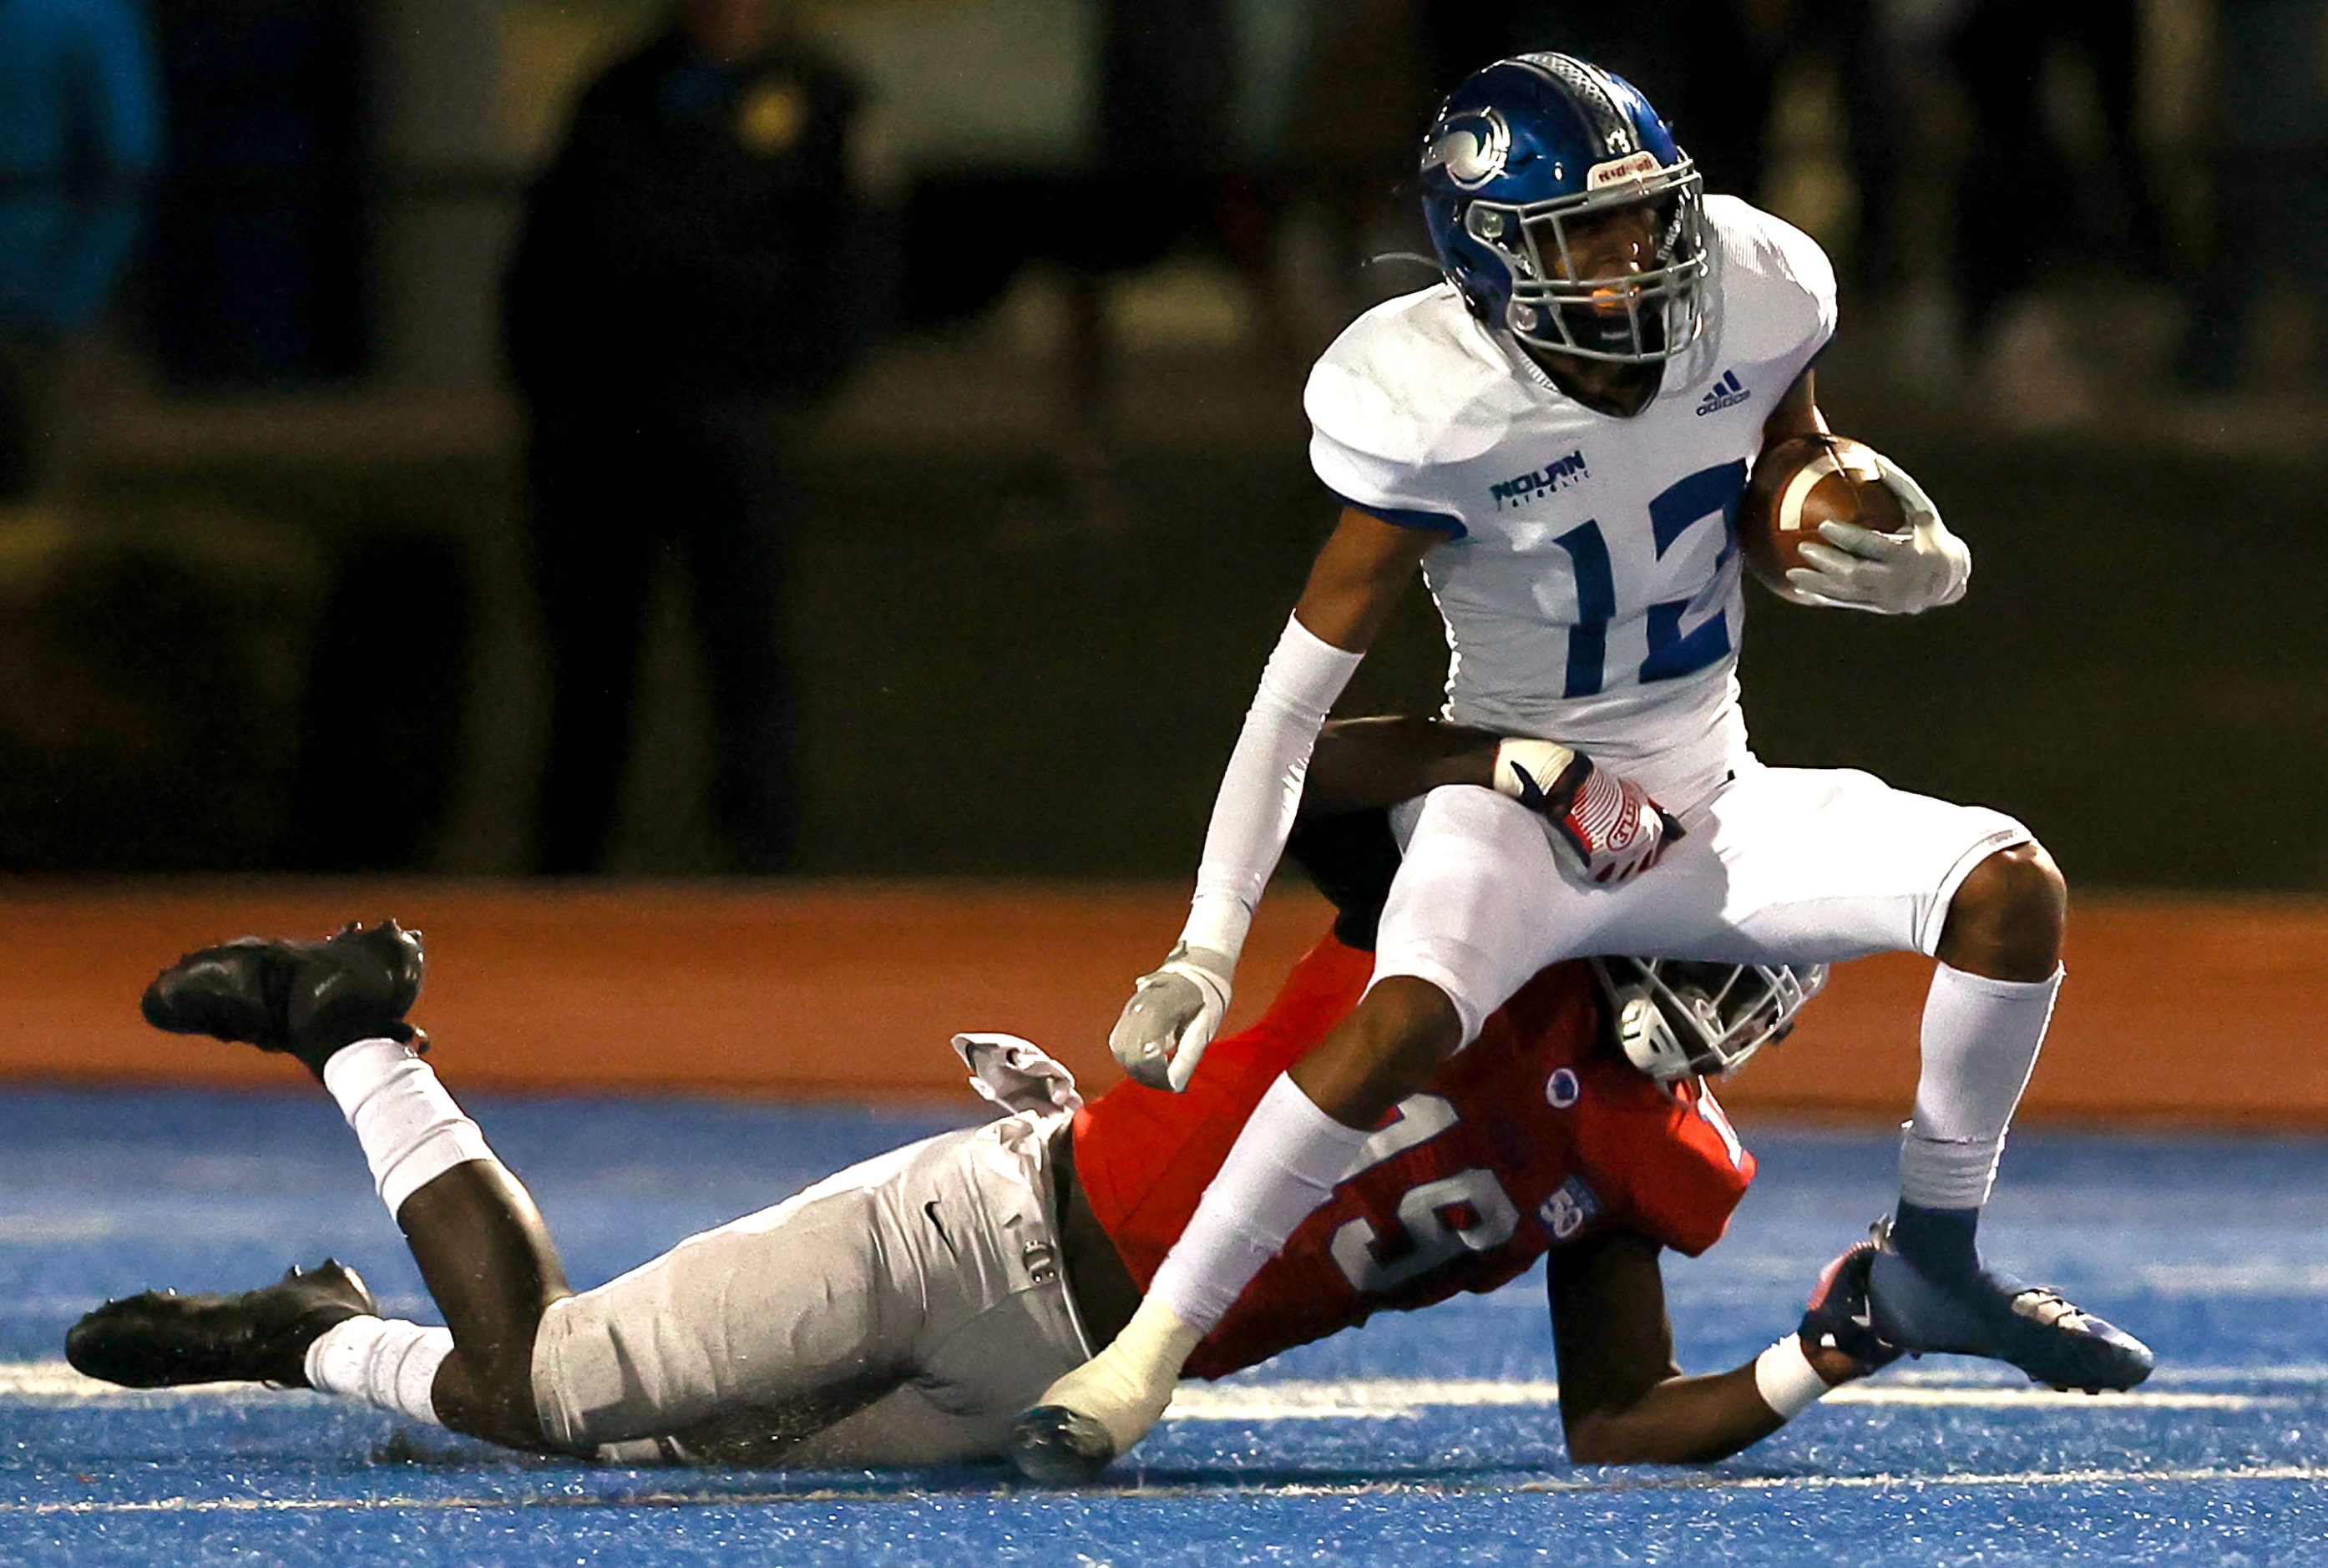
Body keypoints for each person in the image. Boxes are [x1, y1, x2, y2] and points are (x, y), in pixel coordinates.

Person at [1019, 51, 2153, 1481]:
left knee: (2008, 891)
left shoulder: (1756, 285)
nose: (1634, 256)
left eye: (1643, 216)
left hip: (1708, 793)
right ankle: (1142, 1357)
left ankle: (1931, 1252)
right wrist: (1202, 941)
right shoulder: (1431, 400)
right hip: (1526, 803)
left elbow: (1781, 465)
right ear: (1485, 257)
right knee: (1402, 1015)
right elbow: (1292, 698)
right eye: (1585, 232)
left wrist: (1898, 551)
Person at [66, 731, 1893, 1472]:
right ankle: (357, 1033)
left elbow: (1616, 1420)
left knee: (617, 1448)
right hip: (988, 1228)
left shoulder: (1648, 1159)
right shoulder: (1461, 934)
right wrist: (1511, 761)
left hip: (1057, 1387)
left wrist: (1818, 1356)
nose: (1735, 985)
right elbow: (1325, 787)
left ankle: (313, 1331)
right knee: (555, 1382)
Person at [501, 0, 873, 874]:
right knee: (590, 661)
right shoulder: (622, 91)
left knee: (748, 653)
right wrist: (551, 396)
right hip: (606, 424)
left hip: (739, 421)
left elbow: (853, 266)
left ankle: (761, 872)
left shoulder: (820, 96)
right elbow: (546, 260)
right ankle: (567, 871)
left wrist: (783, 391)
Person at [0, 0, 161, 502]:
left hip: (45, 303)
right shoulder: (90, 14)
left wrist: (72, 294)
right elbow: (129, 158)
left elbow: (127, 165)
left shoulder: (85, 14)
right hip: (45, 297)